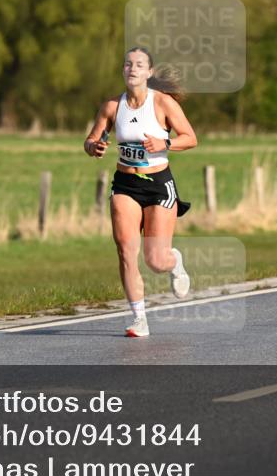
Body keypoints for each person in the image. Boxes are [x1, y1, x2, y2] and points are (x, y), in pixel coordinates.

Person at [83, 47, 197, 337]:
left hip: (159, 185)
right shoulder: (112, 106)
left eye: (139, 65)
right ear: (123, 71)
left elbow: (190, 138)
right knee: (125, 250)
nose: (132, 69)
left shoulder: (163, 104)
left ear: (149, 72)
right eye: (128, 64)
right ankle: (139, 318)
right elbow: (91, 138)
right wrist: (93, 146)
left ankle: (175, 262)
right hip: (126, 184)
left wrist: (166, 145)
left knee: (155, 260)